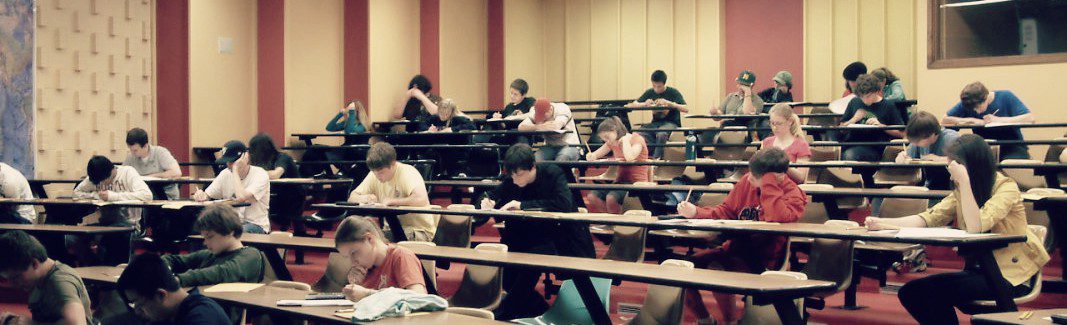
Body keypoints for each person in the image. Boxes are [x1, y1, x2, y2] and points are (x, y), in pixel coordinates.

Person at [866, 134, 1050, 324]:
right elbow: (929, 218)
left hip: (1012, 275)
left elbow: (975, 226)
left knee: (931, 292)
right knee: (912, 292)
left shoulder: (1006, 187)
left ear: (971, 165)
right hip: (981, 271)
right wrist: (885, 224)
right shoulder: (962, 190)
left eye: (953, 165)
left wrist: (964, 182)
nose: (949, 170)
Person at [675, 148, 806, 325]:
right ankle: (705, 320)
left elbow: (777, 217)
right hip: (735, 249)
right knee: (682, 269)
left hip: (764, 259)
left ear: (777, 177)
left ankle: (730, 322)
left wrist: (769, 185)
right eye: (750, 172)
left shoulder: (794, 195)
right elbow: (726, 210)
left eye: (757, 176)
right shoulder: (747, 181)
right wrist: (696, 212)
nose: (750, 178)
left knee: (716, 269)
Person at [480, 144, 595, 319]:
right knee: (508, 276)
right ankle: (540, 310)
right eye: (511, 174)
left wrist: (522, 206)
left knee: (528, 267)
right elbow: (493, 193)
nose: (514, 179)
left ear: (532, 167)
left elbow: (563, 204)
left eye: (518, 174)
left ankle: (504, 313)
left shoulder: (553, 173)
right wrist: (487, 201)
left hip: (558, 238)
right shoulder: (513, 178)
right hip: (527, 237)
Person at [71, 155, 153, 265]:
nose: (100, 185)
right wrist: (97, 195)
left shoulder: (128, 172)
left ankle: (112, 271)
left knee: (112, 237)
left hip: (129, 224)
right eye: (97, 183)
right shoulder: (97, 176)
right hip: (105, 223)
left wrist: (113, 196)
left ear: (110, 173)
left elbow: (147, 195)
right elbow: (76, 193)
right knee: (76, 236)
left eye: (103, 182)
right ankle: (93, 268)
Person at [347, 142, 437, 242]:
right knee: (359, 239)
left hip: (420, 231)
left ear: (393, 164)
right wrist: (364, 198)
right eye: (374, 172)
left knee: (376, 242)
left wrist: (391, 201)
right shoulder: (374, 174)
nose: (378, 177)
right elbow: (352, 197)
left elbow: (421, 199)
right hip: (391, 229)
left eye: (381, 173)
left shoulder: (408, 172)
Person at [0, 231, 92, 325]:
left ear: (35, 264)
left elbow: (77, 323)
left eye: (16, 277)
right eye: (9, 278)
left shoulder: (60, 282)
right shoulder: (39, 278)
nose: (13, 283)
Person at [164, 205, 266, 287]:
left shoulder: (251, 255)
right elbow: (174, 260)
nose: (205, 242)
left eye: (210, 237)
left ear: (229, 231)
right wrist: (163, 269)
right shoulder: (211, 254)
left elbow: (221, 273)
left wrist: (177, 280)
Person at [115, 253, 230, 324]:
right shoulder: (167, 314)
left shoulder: (203, 317)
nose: (137, 311)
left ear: (160, 295)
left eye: (139, 304)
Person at [334, 216, 427, 302]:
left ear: (369, 239)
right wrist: (356, 288)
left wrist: (367, 294)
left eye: (354, 252)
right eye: (347, 257)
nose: (353, 262)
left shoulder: (401, 257)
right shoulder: (365, 268)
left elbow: (418, 298)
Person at [192, 140, 271, 234]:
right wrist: (201, 195)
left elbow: (241, 197)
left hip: (256, 225)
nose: (229, 165)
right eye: (227, 161)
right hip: (230, 223)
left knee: (232, 234)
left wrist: (235, 170)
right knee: (200, 230)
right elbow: (208, 195)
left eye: (232, 161)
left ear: (245, 157)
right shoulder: (225, 174)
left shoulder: (260, 174)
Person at [943, 81, 1035, 160]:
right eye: (973, 109)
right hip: (984, 149)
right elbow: (944, 120)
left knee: (1007, 165)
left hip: (1012, 146)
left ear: (986, 97)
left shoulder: (1006, 96)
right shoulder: (969, 103)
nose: (977, 111)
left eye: (978, 107)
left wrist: (999, 120)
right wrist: (971, 120)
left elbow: (1030, 118)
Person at [584, 117, 650, 214]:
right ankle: (608, 220)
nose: (607, 141)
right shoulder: (611, 142)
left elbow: (630, 157)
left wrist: (625, 140)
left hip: (636, 183)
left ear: (614, 130)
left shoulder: (637, 139)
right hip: (620, 181)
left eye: (607, 137)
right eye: (604, 139)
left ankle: (616, 224)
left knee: (611, 198)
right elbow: (596, 154)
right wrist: (591, 156)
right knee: (592, 196)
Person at [248, 133, 305, 233]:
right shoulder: (260, 161)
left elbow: (276, 174)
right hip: (275, 195)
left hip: (293, 196)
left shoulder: (283, 157)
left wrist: (253, 171)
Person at [839, 74, 904, 161]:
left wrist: (881, 126)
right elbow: (841, 129)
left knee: (851, 156)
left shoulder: (888, 106)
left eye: (868, 96)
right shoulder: (854, 102)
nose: (865, 100)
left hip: (875, 147)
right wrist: (853, 120)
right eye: (861, 97)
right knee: (847, 155)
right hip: (852, 144)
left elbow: (901, 133)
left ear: (877, 91)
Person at [626, 70, 688, 159]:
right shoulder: (650, 92)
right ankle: (640, 158)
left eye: (659, 86)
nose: (656, 89)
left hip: (671, 123)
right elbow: (634, 104)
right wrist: (644, 104)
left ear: (664, 84)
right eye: (654, 86)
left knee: (661, 133)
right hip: (655, 124)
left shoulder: (673, 92)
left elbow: (686, 108)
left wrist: (670, 103)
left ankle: (656, 160)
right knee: (637, 134)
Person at [897, 111, 960, 190]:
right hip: (929, 187)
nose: (915, 143)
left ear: (932, 134)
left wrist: (940, 159)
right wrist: (901, 157)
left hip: (951, 188)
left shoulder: (951, 138)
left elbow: (962, 162)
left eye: (918, 141)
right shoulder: (919, 140)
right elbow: (907, 156)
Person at [123, 128, 182, 200]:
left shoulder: (160, 152)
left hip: (166, 195)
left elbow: (177, 173)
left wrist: (152, 176)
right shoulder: (130, 157)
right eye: (130, 149)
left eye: (135, 150)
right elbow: (123, 176)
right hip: (141, 196)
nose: (132, 153)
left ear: (145, 146)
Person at [706, 70, 765, 141]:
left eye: (745, 85)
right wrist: (715, 113)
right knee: (707, 134)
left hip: (745, 131)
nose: (741, 88)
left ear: (752, 86)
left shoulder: (758, 101)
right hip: (726, 128)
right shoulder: (730, 96)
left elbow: (748, 113)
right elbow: (718, 117)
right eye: (740, 84)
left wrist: (747, 94)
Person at [762, 104, 812, 183]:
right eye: (772, 123)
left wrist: (784, 164)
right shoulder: (767, 142)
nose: (775, 128)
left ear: (790, 122)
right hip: (768, 185)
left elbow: (801, 177)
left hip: (789, 189)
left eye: (779, 123)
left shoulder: (801, 144)